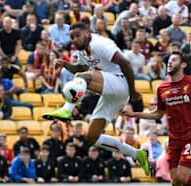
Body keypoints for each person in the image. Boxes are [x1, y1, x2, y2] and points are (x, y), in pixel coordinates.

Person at [42, 22, 149, 175]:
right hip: (111, 94)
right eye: (72, 37)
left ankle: (67, 110)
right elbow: (81, 68)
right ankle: (137, 154)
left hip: (120, 83)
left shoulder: (100, 44)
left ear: (87, 33)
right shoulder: (83, 52)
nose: (74, 40)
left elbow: (125, 62)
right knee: (92, 137)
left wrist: (132, 90)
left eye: (77, 35)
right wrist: (65, 64)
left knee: (81, 78)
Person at [123, 51, 191, 186]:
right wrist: (135, 114)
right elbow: (157, 114)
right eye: (169, 60)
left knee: (182, 176)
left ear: (183, 65)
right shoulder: (162, 88)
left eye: (174, 60)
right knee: (175, 182)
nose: (170, 62)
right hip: (174, 139)